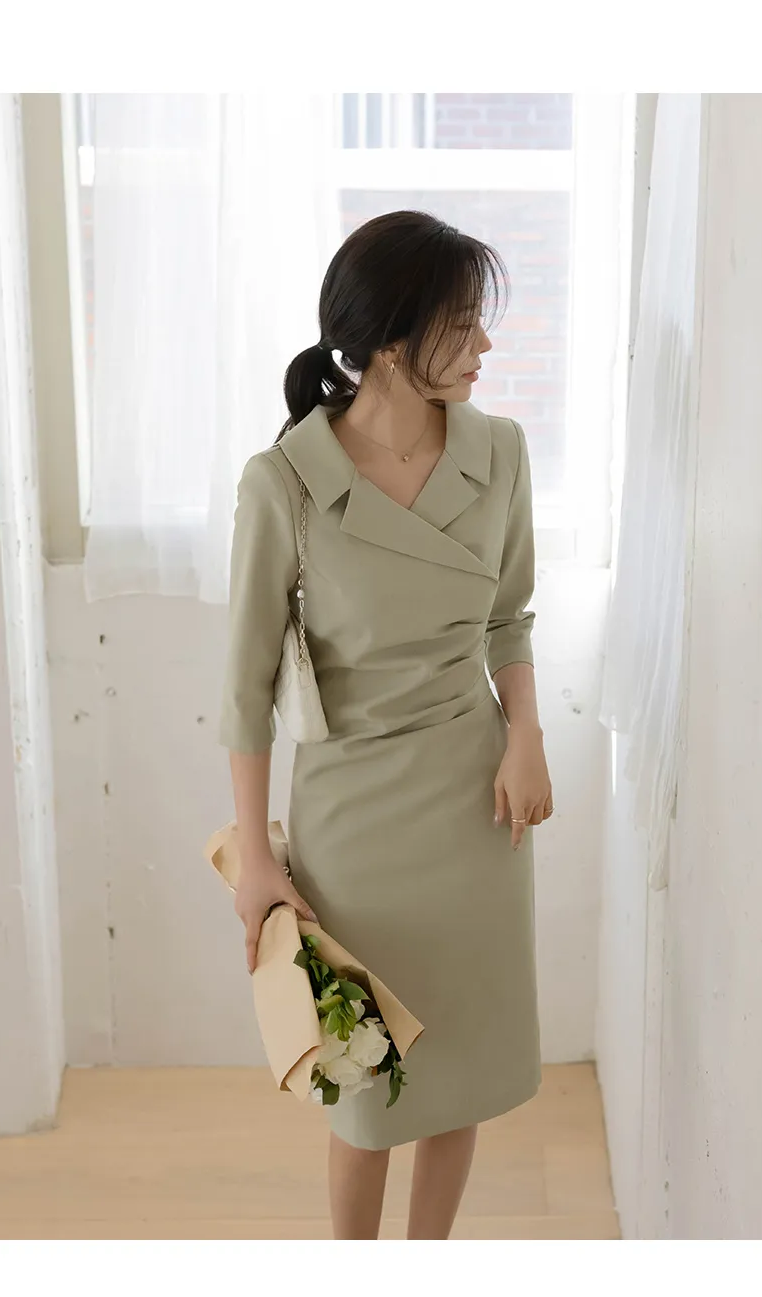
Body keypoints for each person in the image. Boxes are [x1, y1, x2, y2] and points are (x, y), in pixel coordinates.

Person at [222, 210, 553, 1240]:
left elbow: (507, 617)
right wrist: (256, 861)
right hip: (353, 822)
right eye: (463, 324)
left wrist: (525, 734)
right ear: (395, 345)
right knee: (364, 1094)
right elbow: (243, 686)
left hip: (472, 803)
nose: (485, 343)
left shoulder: (499, 452)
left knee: (456, 1075)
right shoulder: (286, 483)